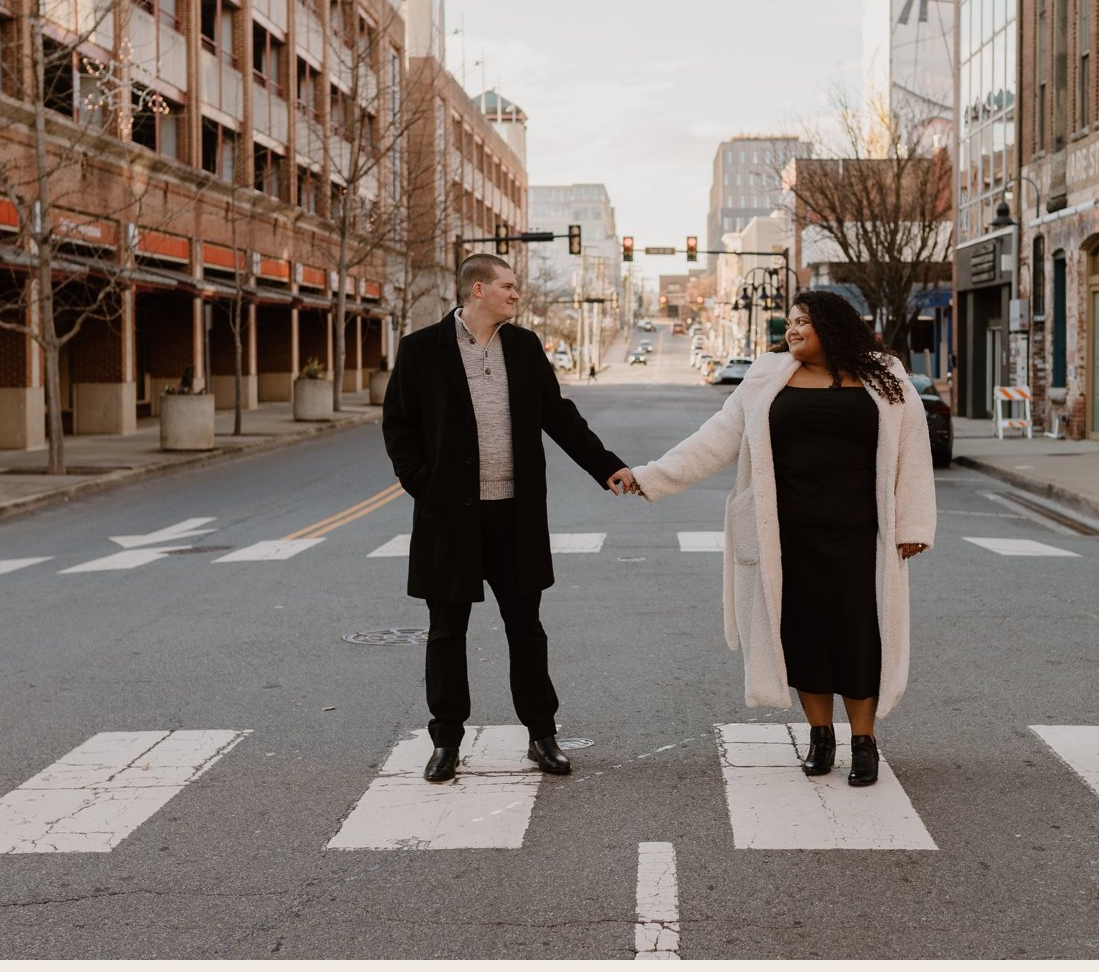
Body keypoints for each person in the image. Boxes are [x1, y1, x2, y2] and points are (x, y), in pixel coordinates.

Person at [626, 289, 937, 786]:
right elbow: (716, 437)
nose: (791, 331)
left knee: (860, 634)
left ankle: (864, 741)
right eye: (789, 323)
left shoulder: (885, 375)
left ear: (831, 327)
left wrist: (914, 524)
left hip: (863, 531)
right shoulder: (765, 377)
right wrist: (650, 476)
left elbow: (913, 451)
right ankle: (820, 736)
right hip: (786, 530)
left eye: (802, 323)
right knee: (803, 631)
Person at [381, 253, 644, 783]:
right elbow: (399, 428)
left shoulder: (523, 348)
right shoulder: (420, 351)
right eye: (507, 286)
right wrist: (427, 491)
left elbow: (559, 416)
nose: (515, 294)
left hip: (514, 517)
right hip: (450, 520)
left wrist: (608, 466)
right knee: (446, 633)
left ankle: (542, 736)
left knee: (526, 629)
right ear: (477, 290)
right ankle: (447, 742)